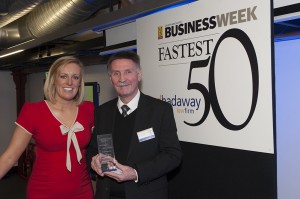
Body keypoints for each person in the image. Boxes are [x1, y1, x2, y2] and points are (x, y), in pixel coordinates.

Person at [87, 50, 182, 199]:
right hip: (106, 194)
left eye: (128, 72)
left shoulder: (160, 110)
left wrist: (136, 172)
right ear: (110, 78)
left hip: (145, 194)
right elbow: (93, 149)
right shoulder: (102, 111)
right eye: (116, 73)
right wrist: (94, 162)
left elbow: (173, 155)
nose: (122, 78)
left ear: (139, 75)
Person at [0, 56, 94, 199]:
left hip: (82, 192)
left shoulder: (89, 109)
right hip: (43, 192)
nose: (69, 82)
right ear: (53, 80)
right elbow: (9, 157)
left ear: (80, 82)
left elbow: (100, 147)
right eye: (63, 76)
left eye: (75, 77)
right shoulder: (33, 111)